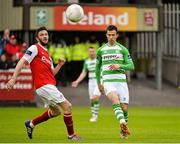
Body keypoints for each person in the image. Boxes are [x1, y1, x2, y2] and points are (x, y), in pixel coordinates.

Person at [6, 26, 81, 140]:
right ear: (37, 38)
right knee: (67, 106)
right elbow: (22, 61)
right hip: (44, 85)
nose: (45, 36)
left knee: (55, 112)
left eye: (46, 34)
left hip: (47, 85)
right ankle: (71, 135)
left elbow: (52, 74)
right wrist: (13, 78)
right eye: (42, 35)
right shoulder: (34, 48)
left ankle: (31, 124)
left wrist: (59, 65)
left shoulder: (48, 55)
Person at [95, 25, 134, 139]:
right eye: (109, 35)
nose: (111, 37)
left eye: (113, 35)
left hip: (121, 81)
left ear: (117, 35)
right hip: (108, 81)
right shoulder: (101, 50)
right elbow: (97, 68)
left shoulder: (123, 49)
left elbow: (131, 66)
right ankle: (122, 123)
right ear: (106, 35)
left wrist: (119, 65)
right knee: (115, 100)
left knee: (124, 108)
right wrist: (99, 83)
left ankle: (123, 130)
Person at [72, 47, 101, 122]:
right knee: (92, 99)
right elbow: (84, 72)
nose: (91, 53)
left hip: (99, 81)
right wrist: (77, 81)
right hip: (91, 82)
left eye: (93, 51)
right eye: (90, 51)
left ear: (95, 52)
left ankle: (95, 116)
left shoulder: (99, 60)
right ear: (88, 52)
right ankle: (93, 115)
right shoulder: (86, 61)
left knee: (95, 97)